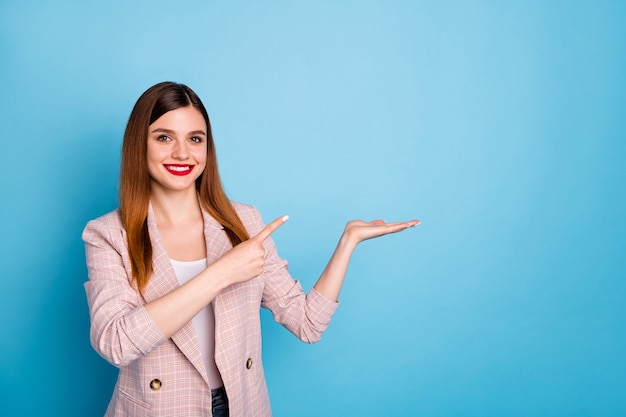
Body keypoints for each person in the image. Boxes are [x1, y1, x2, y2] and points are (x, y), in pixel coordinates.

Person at [83, 81, 419, 417]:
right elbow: (116, 343)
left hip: (242, 405)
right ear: (138, 145)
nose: (182, 153)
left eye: (195, 139)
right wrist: (221, 273)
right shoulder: (108, 235)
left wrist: (348, 242)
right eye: (164, 137)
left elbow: (306, 323)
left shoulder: (243, 222)